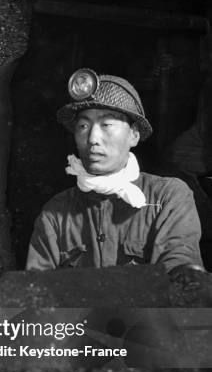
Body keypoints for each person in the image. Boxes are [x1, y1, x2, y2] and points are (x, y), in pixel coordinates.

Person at [26, 68, 204, 273]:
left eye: (107, 124)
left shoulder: (166, 197)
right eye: (83, 126)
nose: (93, 139)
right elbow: (35, 293)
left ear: (134, 135)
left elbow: (180, 273)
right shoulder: (55, 214)